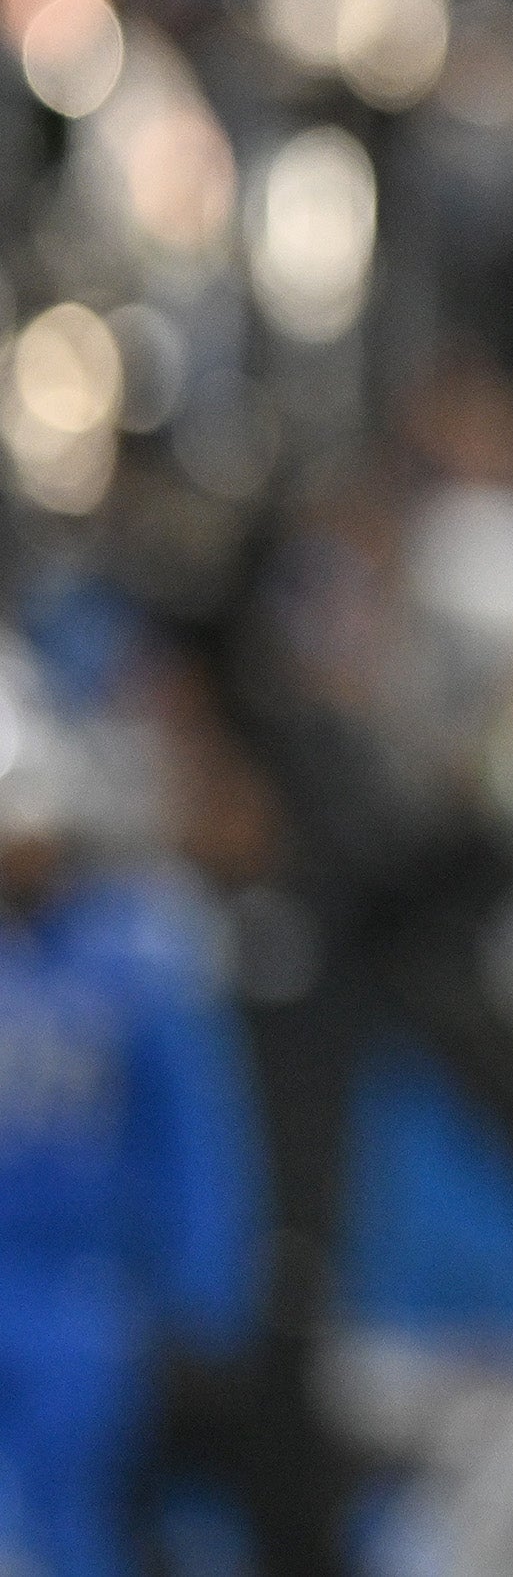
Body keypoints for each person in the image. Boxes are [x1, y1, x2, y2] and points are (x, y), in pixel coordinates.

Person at [0, 643, 261, 1577]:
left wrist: (204, 1298)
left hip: (85, 1291)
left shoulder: (130, 956)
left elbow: (196, 1141)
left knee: (76, 1525)